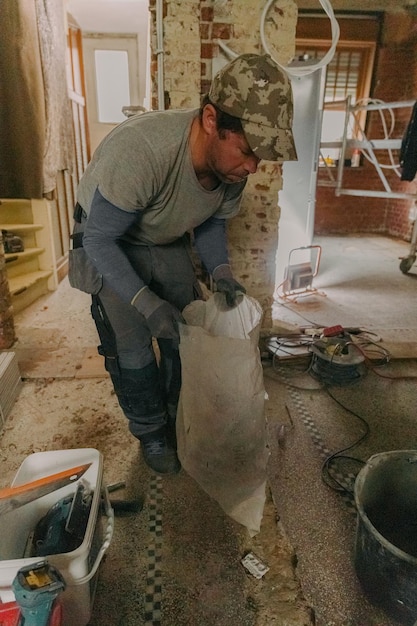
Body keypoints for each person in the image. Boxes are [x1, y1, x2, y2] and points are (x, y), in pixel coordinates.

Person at [69, 52, 297, 475]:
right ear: (211, 119)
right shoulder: (145, 150)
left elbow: (209, 225)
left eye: (260, 157)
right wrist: (145, 302)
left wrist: (222, 272)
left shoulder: (231, 171)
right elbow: (101, 238)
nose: (251, 167)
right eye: (247, 151)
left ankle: (177, 418)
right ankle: (150, 432)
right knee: (133, 346)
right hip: (109, 241)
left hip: (163, 236)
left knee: (182, 335)